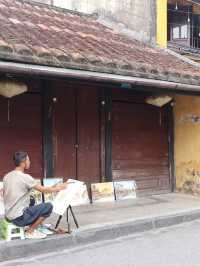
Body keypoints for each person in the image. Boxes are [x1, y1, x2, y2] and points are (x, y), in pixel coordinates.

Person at [3, 151, 68, 239]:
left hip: (9, 216)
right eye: (28, 160)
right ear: (23, 163)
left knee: (32, 199)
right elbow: (44, 190)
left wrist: (54, 187)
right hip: (19, 219)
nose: (30, 162)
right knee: (48, 206)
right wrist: (59, 188)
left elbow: (40, 189)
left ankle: (35, 226)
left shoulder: (7, 176)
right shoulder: (25, 177)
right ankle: (30, 231)